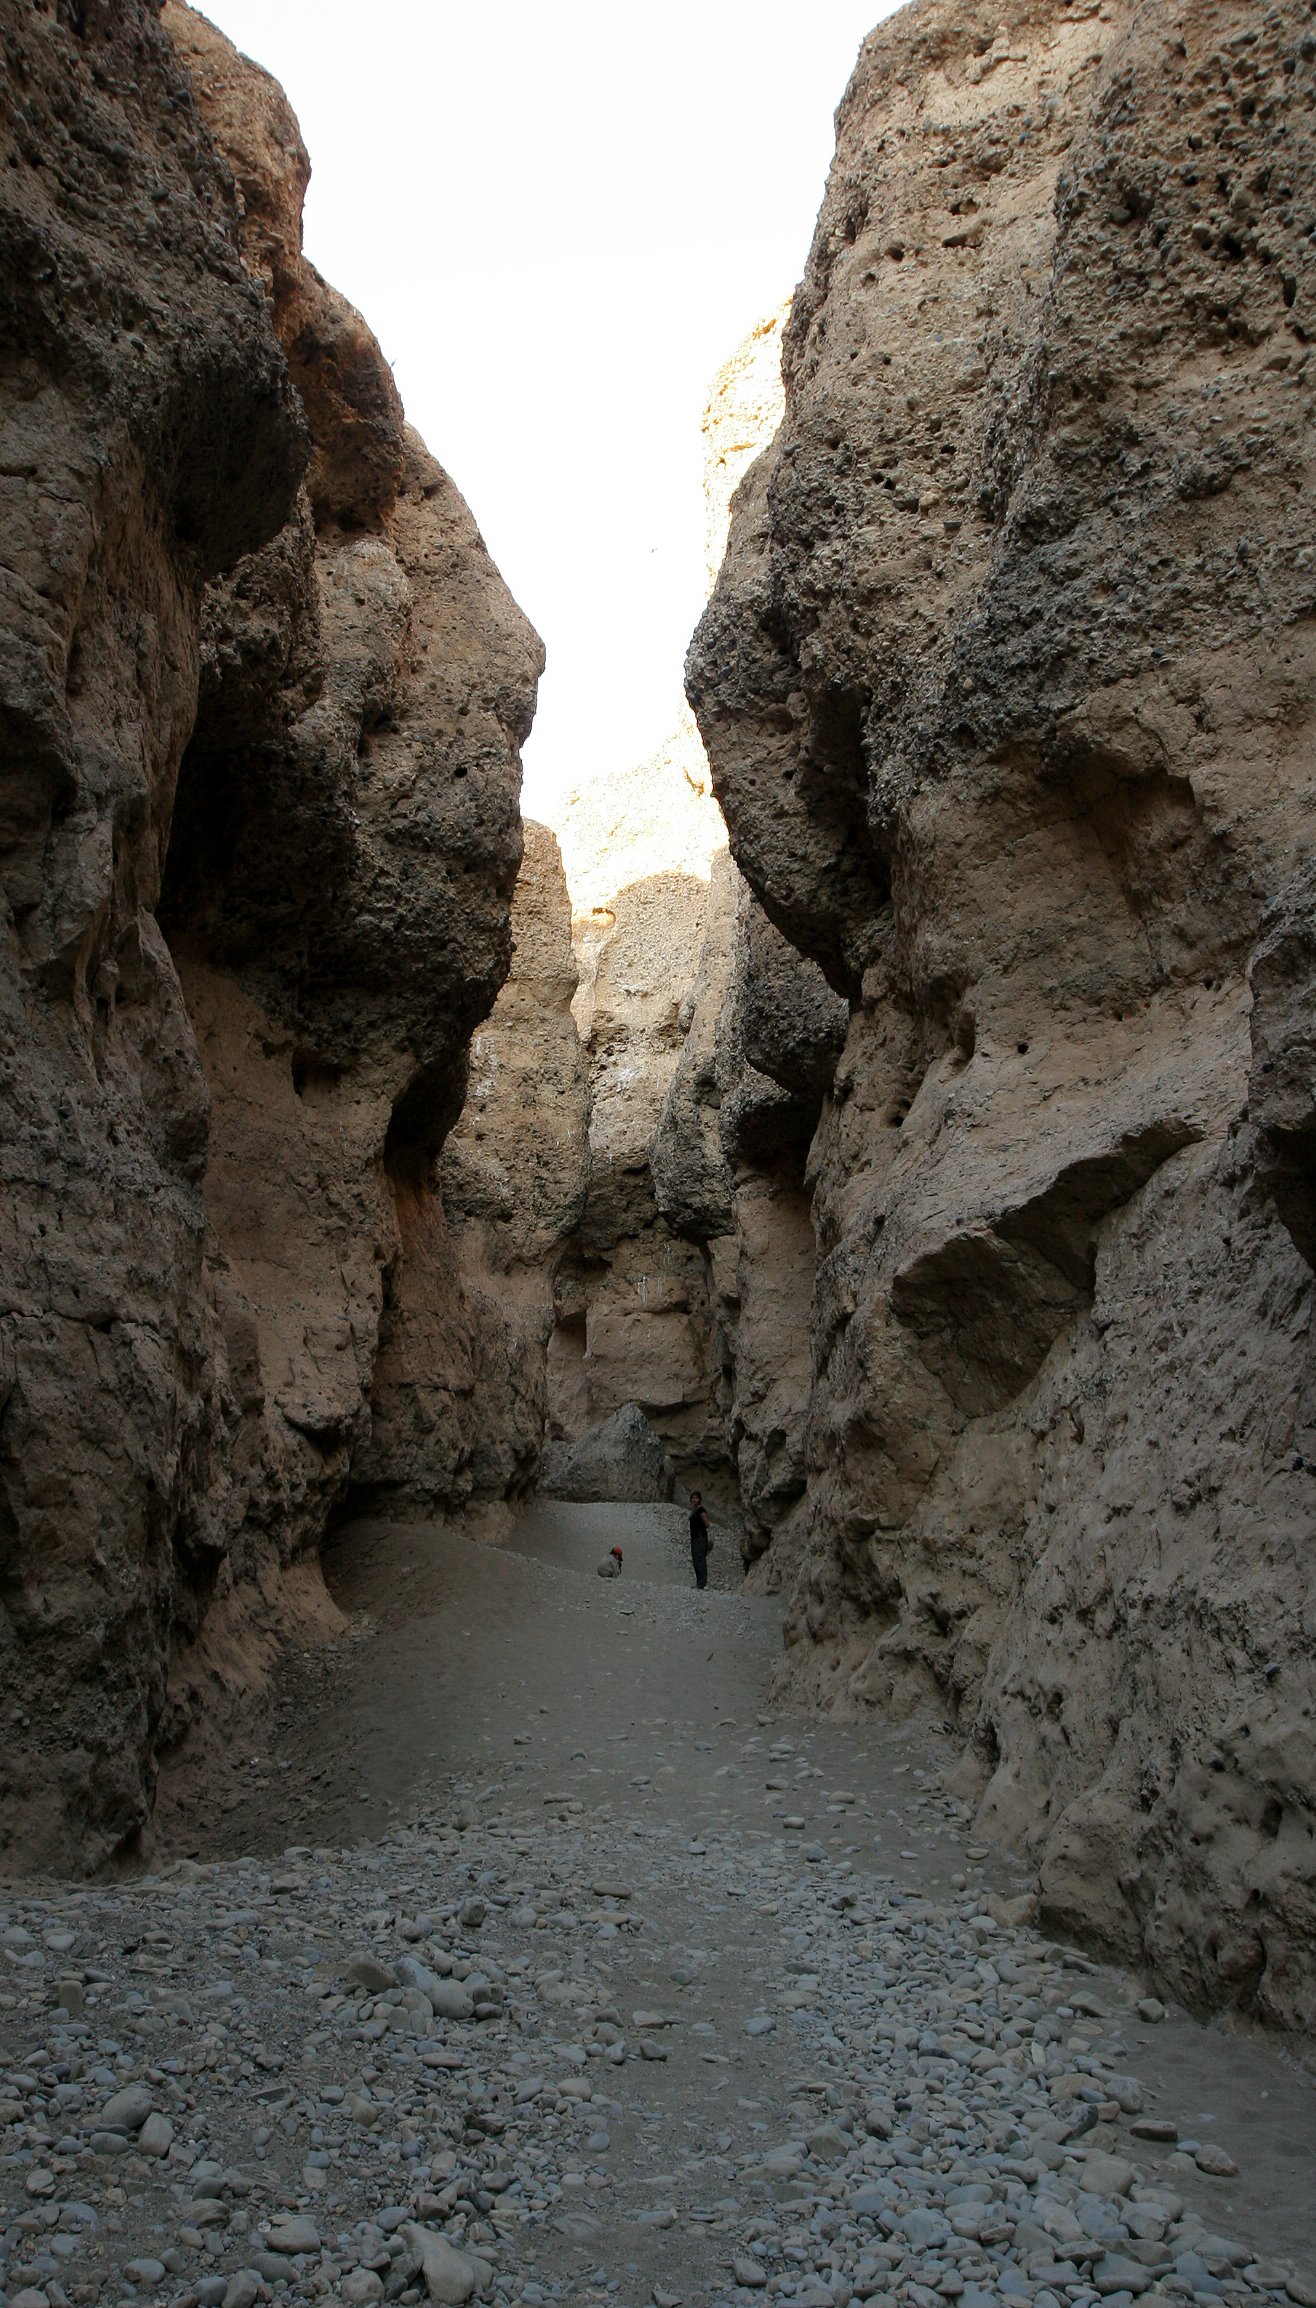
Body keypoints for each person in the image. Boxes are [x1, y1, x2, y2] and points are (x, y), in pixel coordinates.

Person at [688, 1491, 711, 1589]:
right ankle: (699, 1582)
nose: (694, 1499)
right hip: (694, 1537)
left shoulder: (701, 1510)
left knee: (700, 1559)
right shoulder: (694, 1509)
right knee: (696, 1559)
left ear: (700, 1499)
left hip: (700, 1537)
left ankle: (702, 1583)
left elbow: (707, 1524)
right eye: (693, 1498)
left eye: (696, 1498)